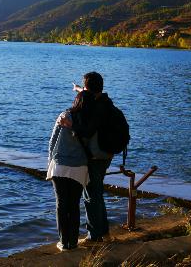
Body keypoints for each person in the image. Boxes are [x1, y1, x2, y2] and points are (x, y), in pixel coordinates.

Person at [57, 72, 114, 244]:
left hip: (97, 156)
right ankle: (103, 231)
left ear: (88, 89)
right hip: (106, 153)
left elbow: (88, 131)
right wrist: (78, 89)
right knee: (97, 192)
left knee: (90, 195)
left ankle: (94, 236)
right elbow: (88, 95)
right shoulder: (105, 101)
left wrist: (71, 125)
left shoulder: (97, 107)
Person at [47, 91, 93, 251]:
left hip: (59, 165)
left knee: (61, 204)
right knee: (74, 204)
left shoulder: (64, 115)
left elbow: (52, 141)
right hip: (79, 167)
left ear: (75, 101)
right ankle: (73, 242)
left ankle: (63, 242)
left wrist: (49, 163)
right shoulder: (90, 121)